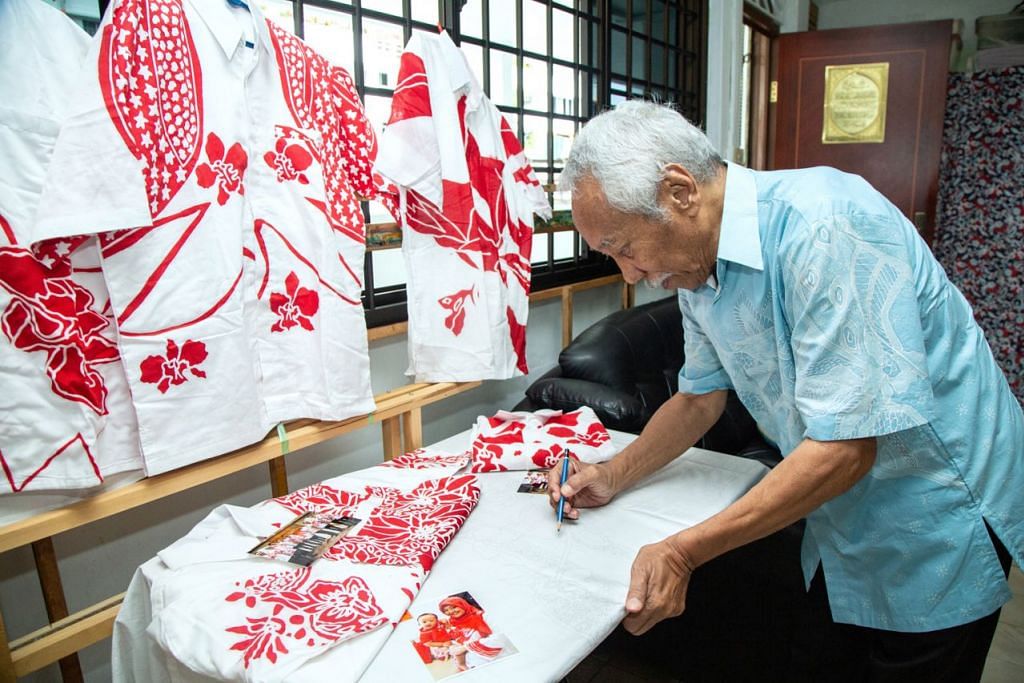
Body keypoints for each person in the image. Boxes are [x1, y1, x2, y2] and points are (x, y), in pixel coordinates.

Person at [548, 100, 1024, 682]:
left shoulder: (825, 227)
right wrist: (614, 474)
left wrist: (682, 551)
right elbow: (700, 397)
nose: (628, 274)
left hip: (934, 500)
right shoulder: (696, 265)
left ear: (680, 192)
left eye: (625, 247)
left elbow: (848, 446)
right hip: (840, 507)